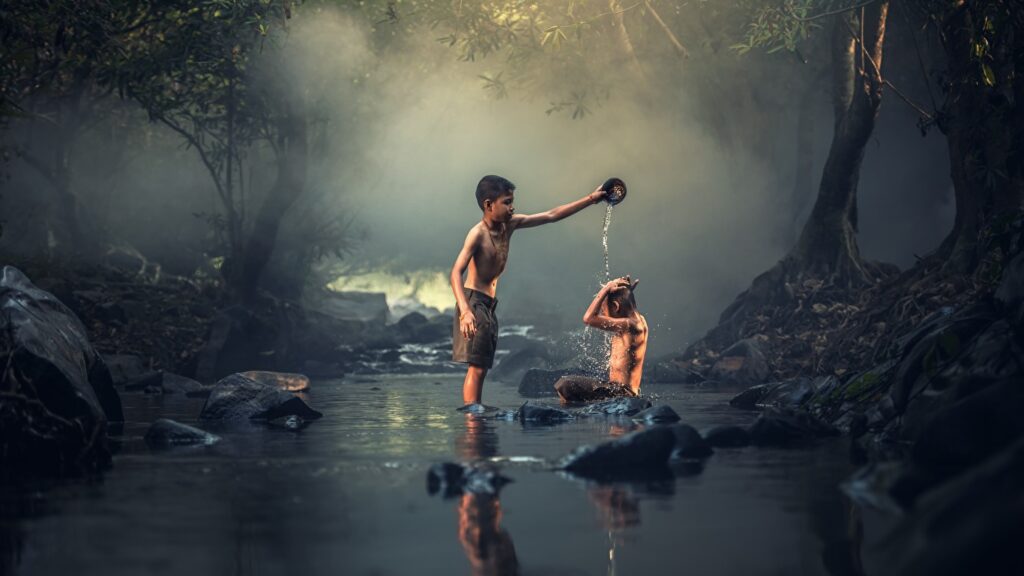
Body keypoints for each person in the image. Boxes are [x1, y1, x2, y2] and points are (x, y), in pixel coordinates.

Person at [451, 174, 609, 405]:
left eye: (512, 201)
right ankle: (472, 421)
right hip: (473, 303)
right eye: (506, 202)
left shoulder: (510, 225)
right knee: (476, 368)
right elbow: (455, 272)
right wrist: (465, 311)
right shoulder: (478, 234)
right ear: (488, 205)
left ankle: (475, 416)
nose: (512, 207)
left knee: (482, 366)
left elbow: (551, 215)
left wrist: (591, 199)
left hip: (488, 304)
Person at [554, 276, 648, 403]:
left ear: (615, 307)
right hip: (616, 389)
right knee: (568, 385)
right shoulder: (639, 321)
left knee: (564, 384)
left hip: (622, 393)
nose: (602, 315)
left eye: (603, 310)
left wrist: (606, 289)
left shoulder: (630, 325)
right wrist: (626, 293)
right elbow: (628, 305)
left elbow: (588, 318)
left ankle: (570, 414)